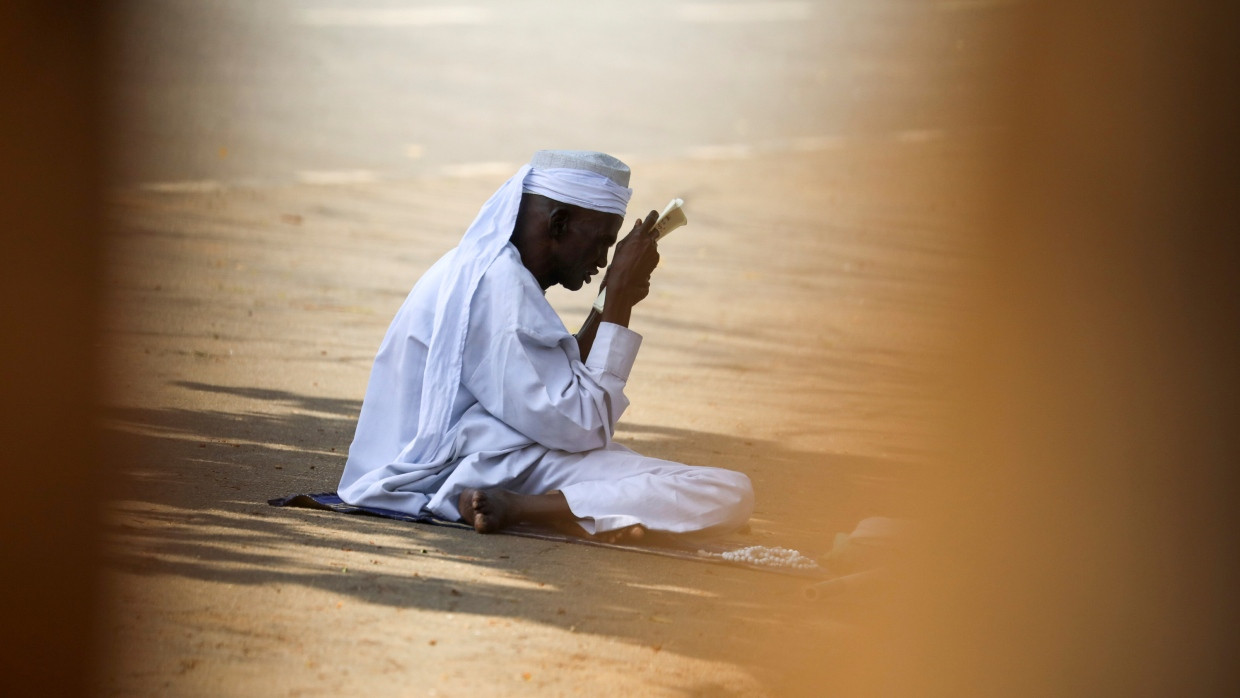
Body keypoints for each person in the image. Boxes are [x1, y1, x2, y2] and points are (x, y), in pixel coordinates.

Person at [337, 150, 753, 542]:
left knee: (675, 483)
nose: (603, 260)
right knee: (730, 490)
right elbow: (585, 427)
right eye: (602, 243)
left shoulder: (486, 270)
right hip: (479, 467)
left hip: (484, 456)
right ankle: (529, 508)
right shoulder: (504, 291)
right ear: (558, 225)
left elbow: (556, 382)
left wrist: (607, 298)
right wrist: (619, 300)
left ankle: (558, 507)